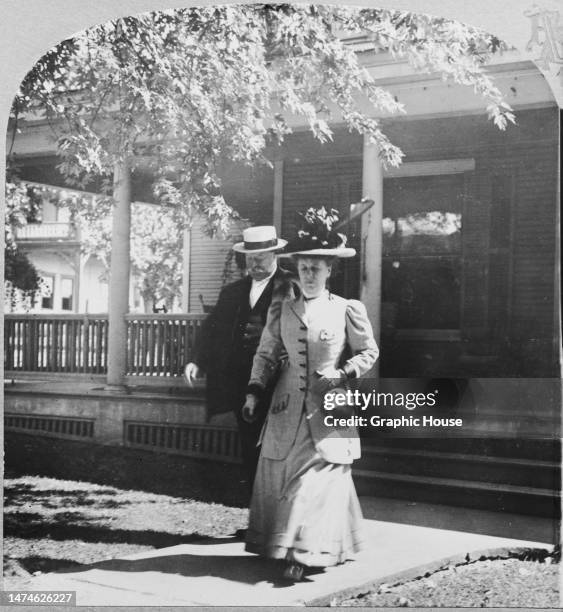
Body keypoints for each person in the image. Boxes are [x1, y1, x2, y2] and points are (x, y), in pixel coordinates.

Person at [242, 208, 379, 582]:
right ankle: (329, 544)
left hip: (329, 405)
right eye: (304, 269)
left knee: (316, 479)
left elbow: (369, 351)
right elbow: (267, 353)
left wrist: (344, 372)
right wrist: (254, 391)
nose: (310, 275)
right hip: (287, 407)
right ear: (297, 271)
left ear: (330, 271)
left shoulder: (346, 309)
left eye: (317, 269)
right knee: (285, 475)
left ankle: (304, 555)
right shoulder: (283, 309)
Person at [184, 225, 295, 496]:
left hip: (281, 383)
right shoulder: (233, 292)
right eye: (249, 258)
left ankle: (281, 518)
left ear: (275, 254)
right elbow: (212, 329)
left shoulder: (292, 287)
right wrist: (196, 360)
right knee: (250, 449)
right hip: (241, 386)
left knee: (281, 451)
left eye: (260, 257)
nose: (254, 264)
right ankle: (257, 519)